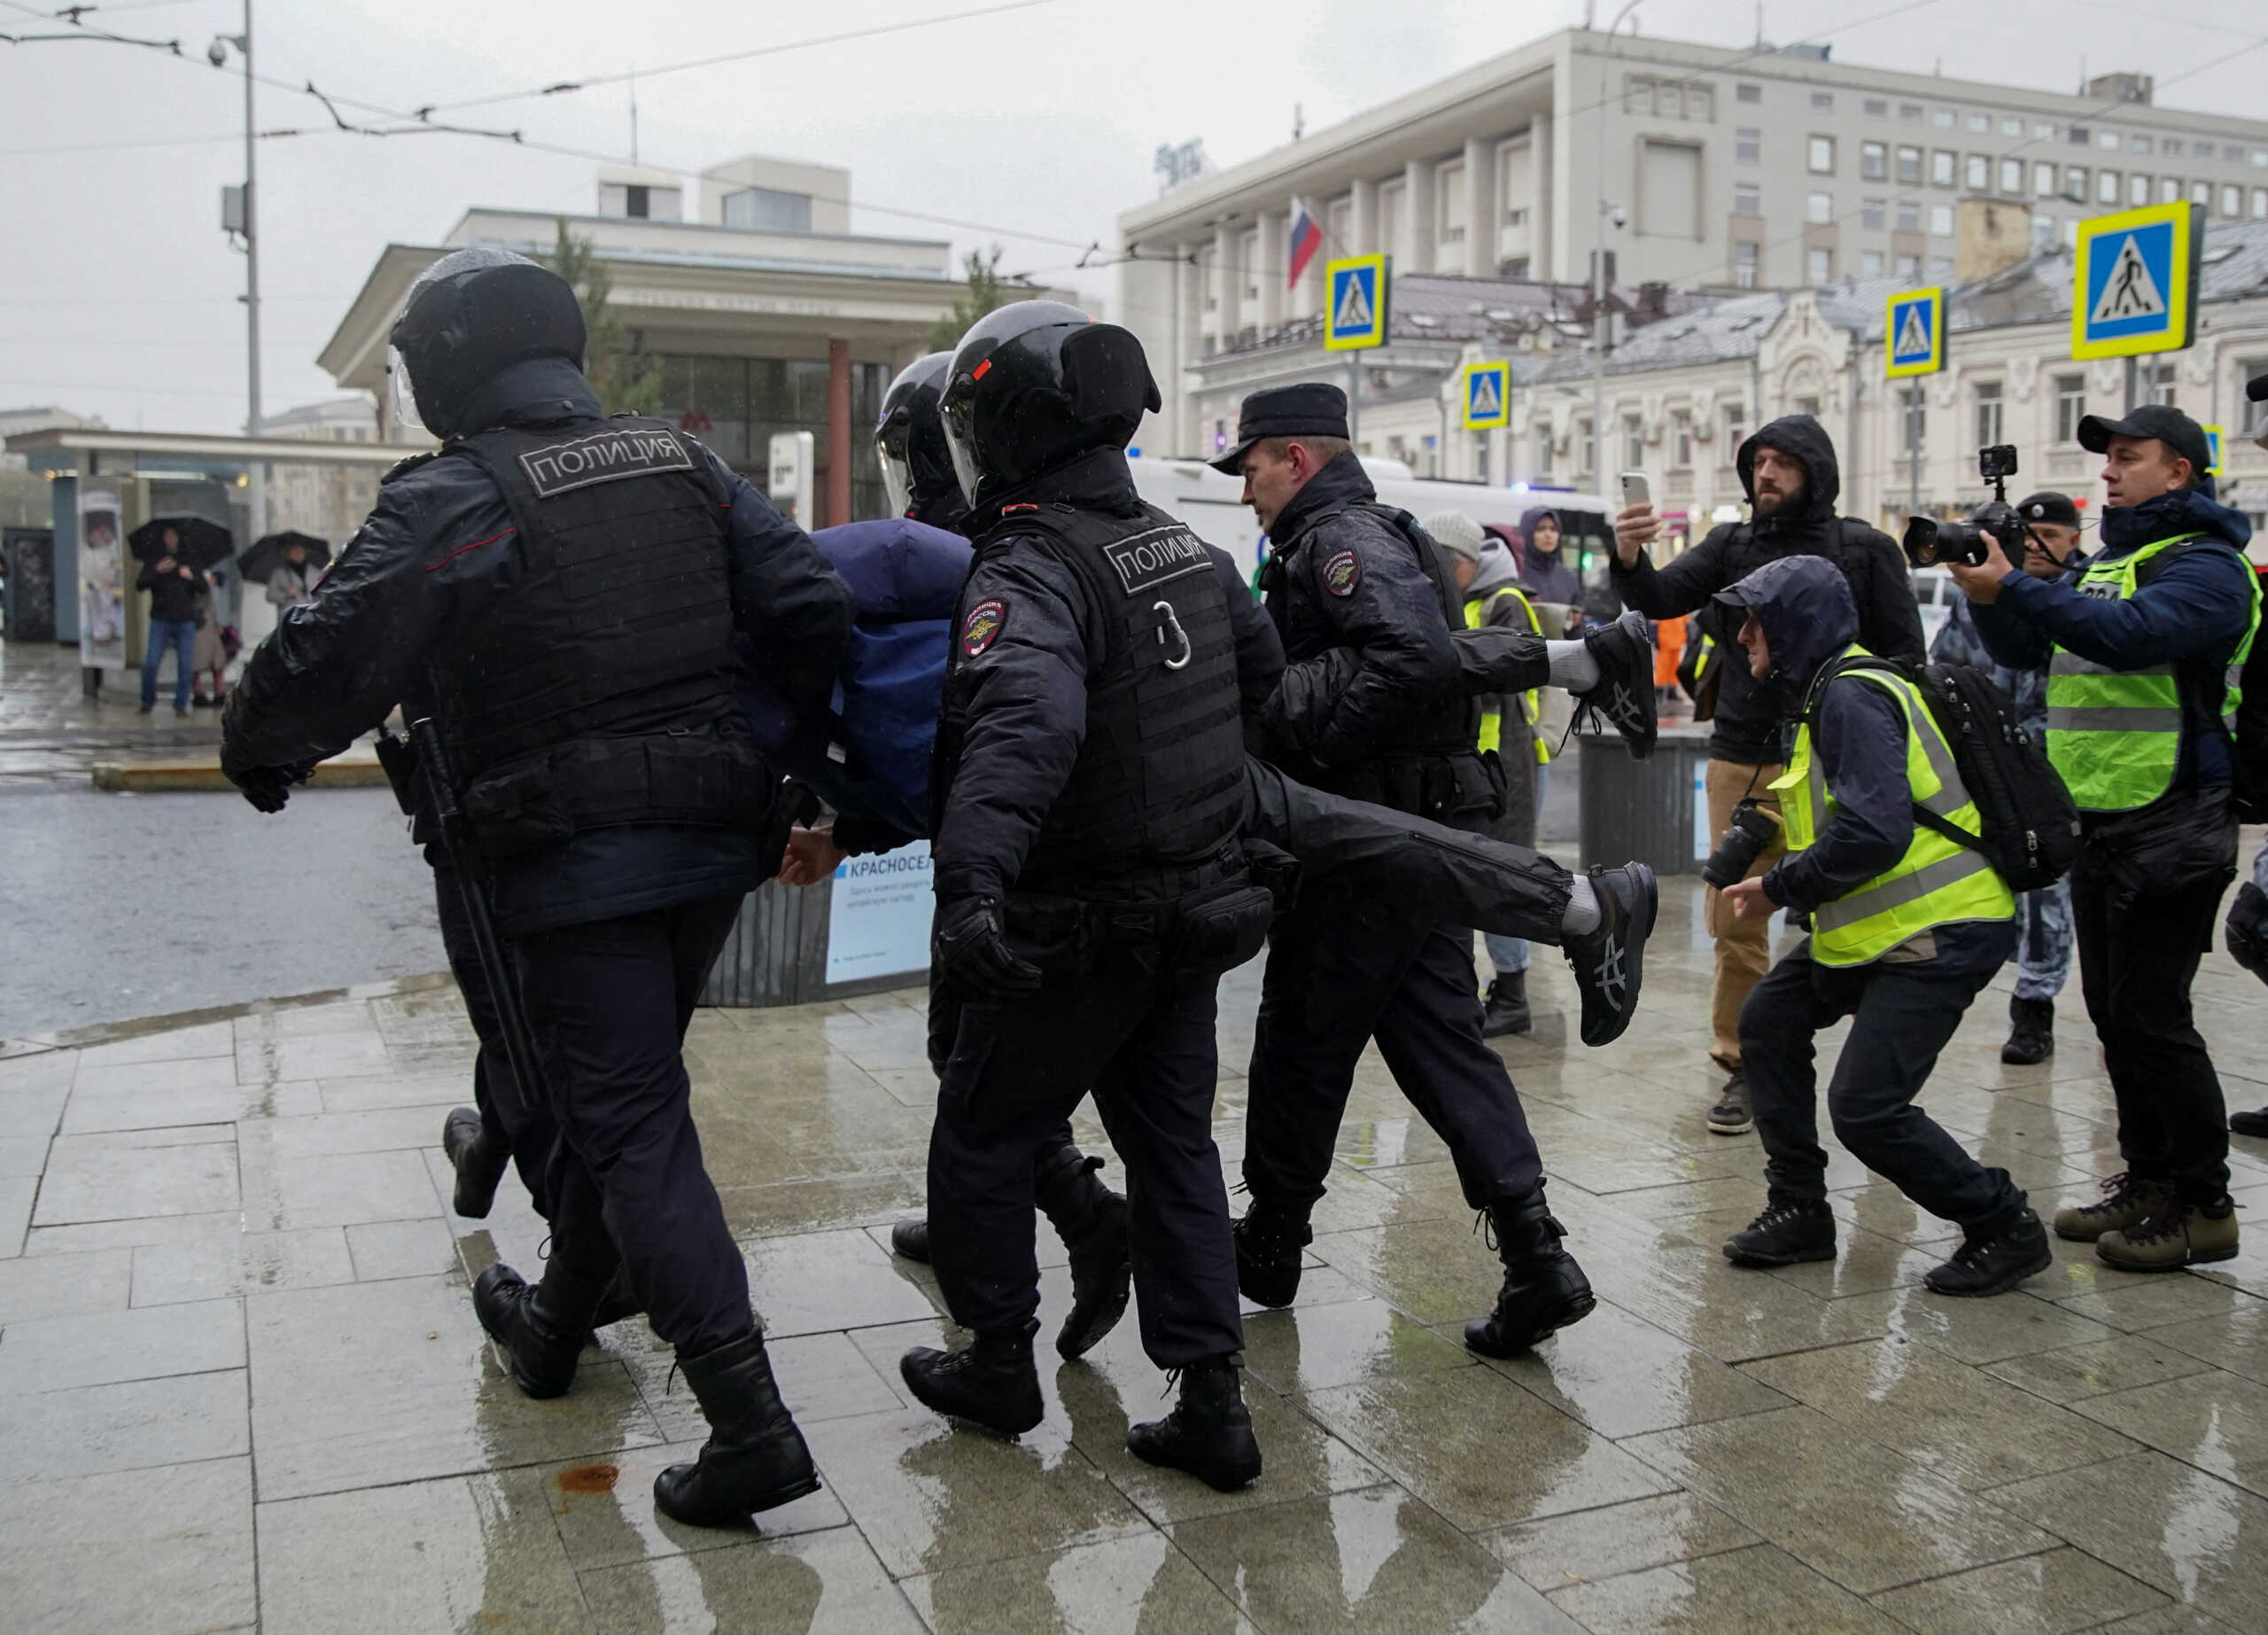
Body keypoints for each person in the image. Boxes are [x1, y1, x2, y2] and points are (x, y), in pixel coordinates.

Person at [219, 246, 855, 1526]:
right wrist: (764, 762)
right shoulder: (685, 464)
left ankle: (751, 1423)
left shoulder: (458, 494)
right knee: (621, 1106)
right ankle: (553, 1324)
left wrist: (258, 748)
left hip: (570, 862)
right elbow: (812, 604)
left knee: (626, 1124)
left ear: (454, 364)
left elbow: (323, 651)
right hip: (708, 845)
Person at [897, 300, 1274, 1491]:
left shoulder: (1029, 564)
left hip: (1076, 923)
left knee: (980, 1140)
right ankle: (1210, 1396)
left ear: (1011, 426)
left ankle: (999, 1362)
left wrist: (972, 894)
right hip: (1191, 915)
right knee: (1175, 1152)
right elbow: (1265, 696)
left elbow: (1026, 723)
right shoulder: (1191, 550)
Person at [1217, 382, 1657, 1363]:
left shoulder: (1341, 538)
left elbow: (1407, 660)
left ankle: (1273, 1244)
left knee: (1301, 1038)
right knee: (1437, 1045)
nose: (1243, 489)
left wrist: (1311, 744)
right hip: (1415, 827)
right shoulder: (1371, 531)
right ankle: (1538, 1257)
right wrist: (1557, 663)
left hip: (1370, 838)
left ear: (1294, 457)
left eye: (1248, 467)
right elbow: (1433, 656)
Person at [1951, 403, 2259, 1271]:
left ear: (2180, 474)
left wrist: (2019, 586)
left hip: (2177, 824)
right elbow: (2025, 650)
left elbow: (2127, 642)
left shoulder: (2208, 569)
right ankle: (2150, 1180)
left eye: (2131, 457)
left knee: (2155, 1020)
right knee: (2115, 1017)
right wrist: (1995, 582)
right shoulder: (2108, 566)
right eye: (2109, 458)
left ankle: (2204, 1205)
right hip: (2101, 820)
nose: (2110, 471)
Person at [1712, 556, 2047, 1296]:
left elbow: (1873, 831)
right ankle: (1798, 1208)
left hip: (1941, 926)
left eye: (1755, 619)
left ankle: (2004, 1223)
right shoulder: (1827, 691)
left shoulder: (1853, 697)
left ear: (1796, 624)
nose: (1742, 636)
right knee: (1768, 1021)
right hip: (1879, 927)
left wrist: (1776, 887)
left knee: (1865, 1109)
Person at [1612, 415, 1922, 1137]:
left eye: (1783, 462)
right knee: (1736, 920)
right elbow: (1659, 597)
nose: (1766, 475)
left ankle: (1882, 1070)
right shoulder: (1732, 544)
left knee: (1867, 913)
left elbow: (1908, 660)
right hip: (1746, 754)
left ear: (1817, 470)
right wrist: (1628, 556)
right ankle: (1745, 1062)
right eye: (1759, 462)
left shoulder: (1864, 549)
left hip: (1840, 756)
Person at [1927, 492, 2085, 1064]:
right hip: (1995, 776)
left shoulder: (2084, 599)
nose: (2038, 546)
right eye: (2026, 534)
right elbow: (1941, 668)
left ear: (2075, 538)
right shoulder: (1978, 601)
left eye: (2053, 534)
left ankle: (2034, 1008)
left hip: (2072, 775)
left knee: (2049, 896)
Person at [1425, 508, 1549, 1037]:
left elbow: (1498, 676)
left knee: (1503, 877)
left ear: (1462, 563)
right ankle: (1488, 987)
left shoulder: (1507, 603)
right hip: (1477, 767)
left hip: (1510, 769)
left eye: (1436, 564)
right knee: (1472, 878)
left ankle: (1513, 992)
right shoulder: (1468, 600)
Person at [136, 526, 205, 716]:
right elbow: (140, 584)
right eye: (167, 535)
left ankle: (180, 704)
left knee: (185, 664)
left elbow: (203, 587)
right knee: (151, 662)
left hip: (185, 620)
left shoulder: (190, 558)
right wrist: (157, 571)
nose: (171, 539)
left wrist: (190, 576)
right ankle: (147, 700)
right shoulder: (155, 559)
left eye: (174, 535)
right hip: (160, 618)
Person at [1514, 506, 1583, 624]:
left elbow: (1579, 624)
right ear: (1527, 533)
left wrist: (1574, 623)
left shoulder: (1568, 578)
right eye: (1540, 529)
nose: (1548, 535)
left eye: (1554, 529)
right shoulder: (1516, 573)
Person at [190, 572, 232, 709]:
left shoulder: (214, 591)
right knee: (197, 662)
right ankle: (199, 693)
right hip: (202, 628)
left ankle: (218, 692)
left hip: (212, 630)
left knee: (217, 663)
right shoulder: (200, 586)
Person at [266, 540, 320, 613]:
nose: (298, 554)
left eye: (301, 551)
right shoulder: (279, 573)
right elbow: (270, 595)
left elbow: (322, 592)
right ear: (288, 554)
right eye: (294, 551)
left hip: (310, 615)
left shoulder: (314, 571)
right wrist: (285, 595)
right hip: (289, 615)